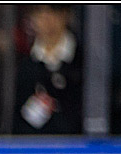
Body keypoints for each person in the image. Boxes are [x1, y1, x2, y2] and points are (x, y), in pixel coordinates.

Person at [13, 4, 83, 135]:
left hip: (78, 149)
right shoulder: (24, 66)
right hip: (36, 149)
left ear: (66, 15)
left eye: (53, 12)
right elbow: (18, 120)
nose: (47, 20)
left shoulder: (84, 61)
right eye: (40, 13)